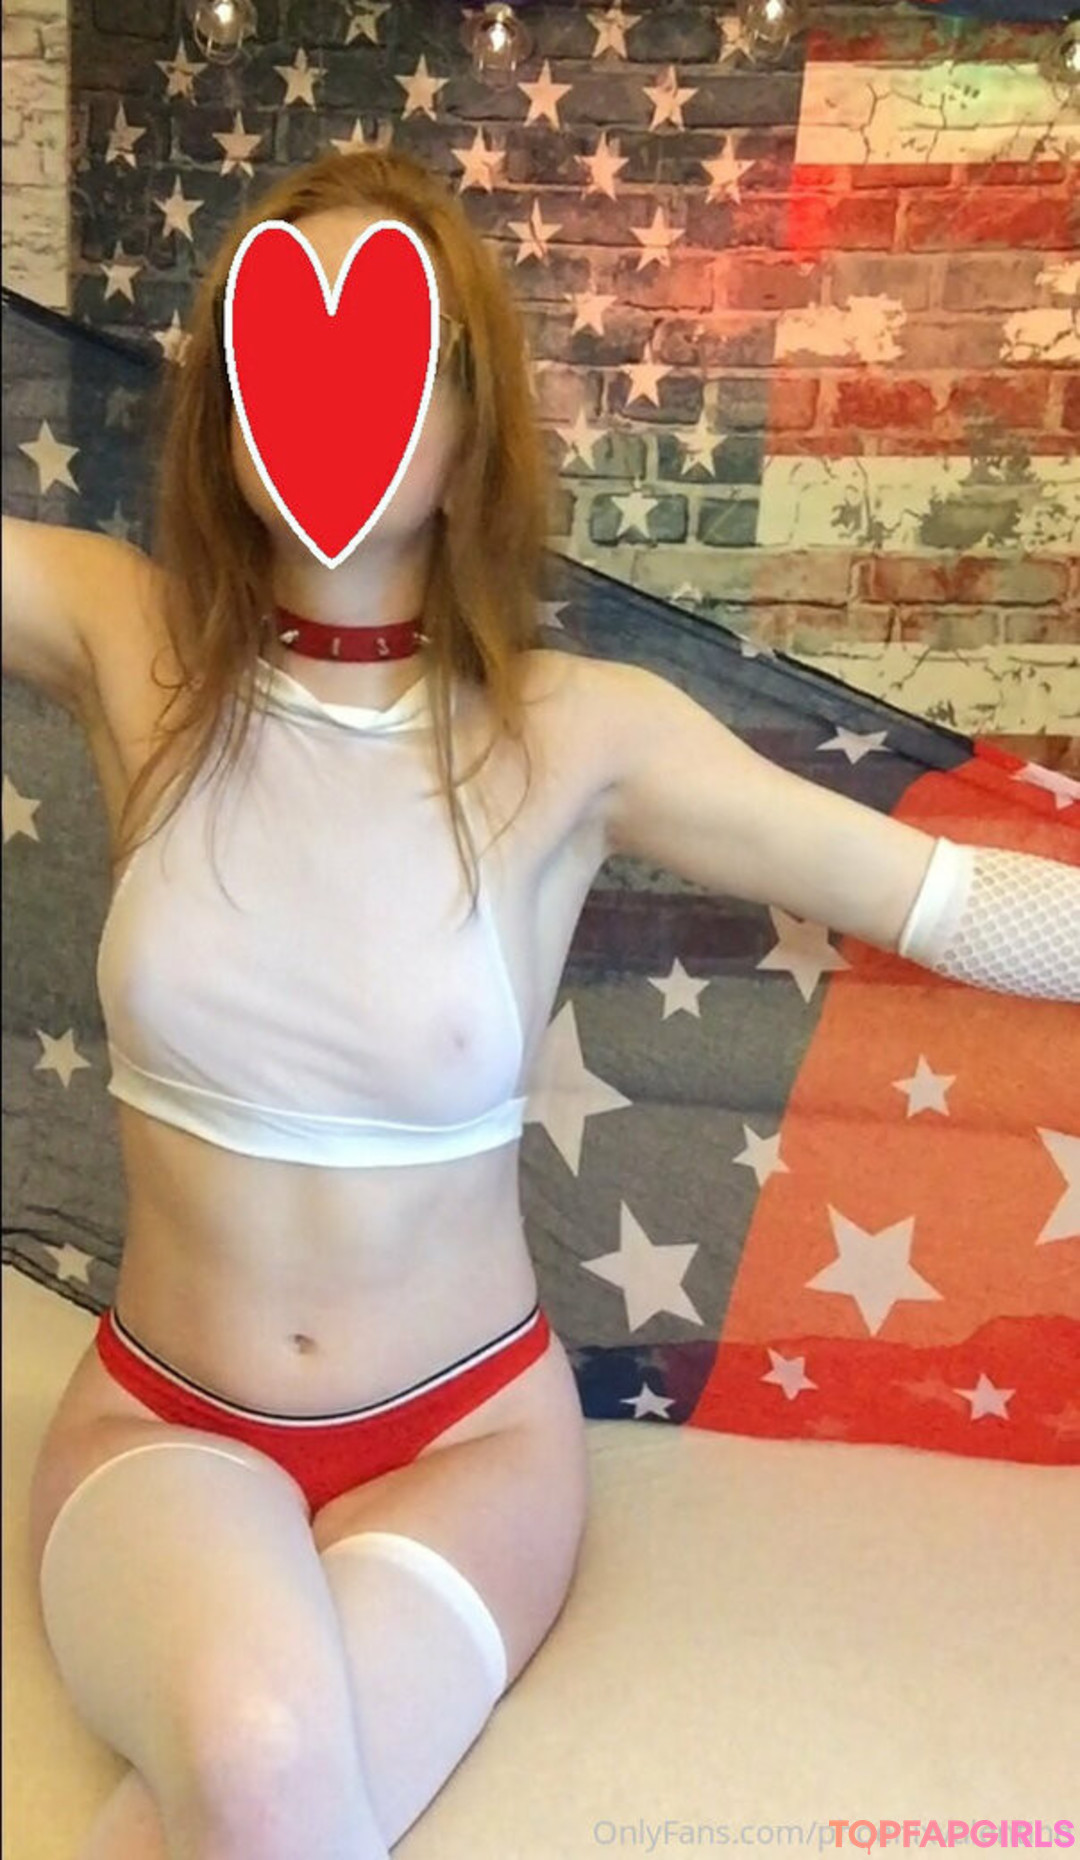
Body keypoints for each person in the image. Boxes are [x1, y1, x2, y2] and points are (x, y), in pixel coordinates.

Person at [4, 147, 1077, 1860]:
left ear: (471, 417)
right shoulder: (129, 643)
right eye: (283, 347)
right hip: (162, 1422)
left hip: (472, 1451)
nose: (335, 402)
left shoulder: (581, 734)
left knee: (262, 1808)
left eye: (392, 353)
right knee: (262, 1762)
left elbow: (936, 896)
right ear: (224, 408)